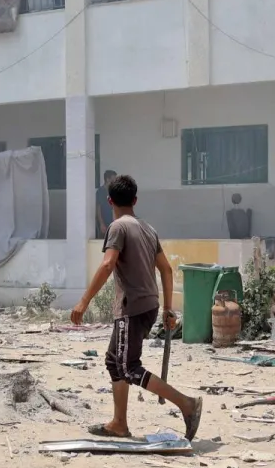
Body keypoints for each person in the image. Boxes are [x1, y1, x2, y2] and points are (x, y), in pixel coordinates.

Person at [69, 173, 203, 441]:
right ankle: (119, 423)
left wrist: (84, 301)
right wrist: (167, 308)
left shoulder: (117, 228)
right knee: (114, 361)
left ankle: (187, 405)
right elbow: (166, 269)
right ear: (135, 200)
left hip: (131, 308)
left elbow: (108, 264)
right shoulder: (148, 229)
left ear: (109, 201)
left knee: (129, 367)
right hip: (149, 305)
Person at [94, 170, 117, 240]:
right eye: (113, 179)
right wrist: (101, 223)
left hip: (111, 222)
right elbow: (98, 208)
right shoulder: (101, 191)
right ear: (107, 179)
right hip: (104, 222)